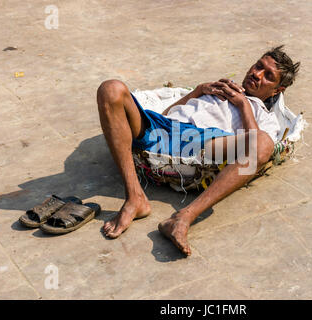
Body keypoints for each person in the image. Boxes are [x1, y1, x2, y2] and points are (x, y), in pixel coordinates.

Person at [97, 45, 300, 256]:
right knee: (110, 88)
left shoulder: (264, 116)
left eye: (268, 76)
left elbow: (257, 148)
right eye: (258, 66)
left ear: (277, 90)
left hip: (204, 143)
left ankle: (183, 217)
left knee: (263, 143)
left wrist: (243, 106)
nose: (256, 74)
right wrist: (198, 91)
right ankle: (134, 197)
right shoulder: (220, 87)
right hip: (163, 130)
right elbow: (167, 114)